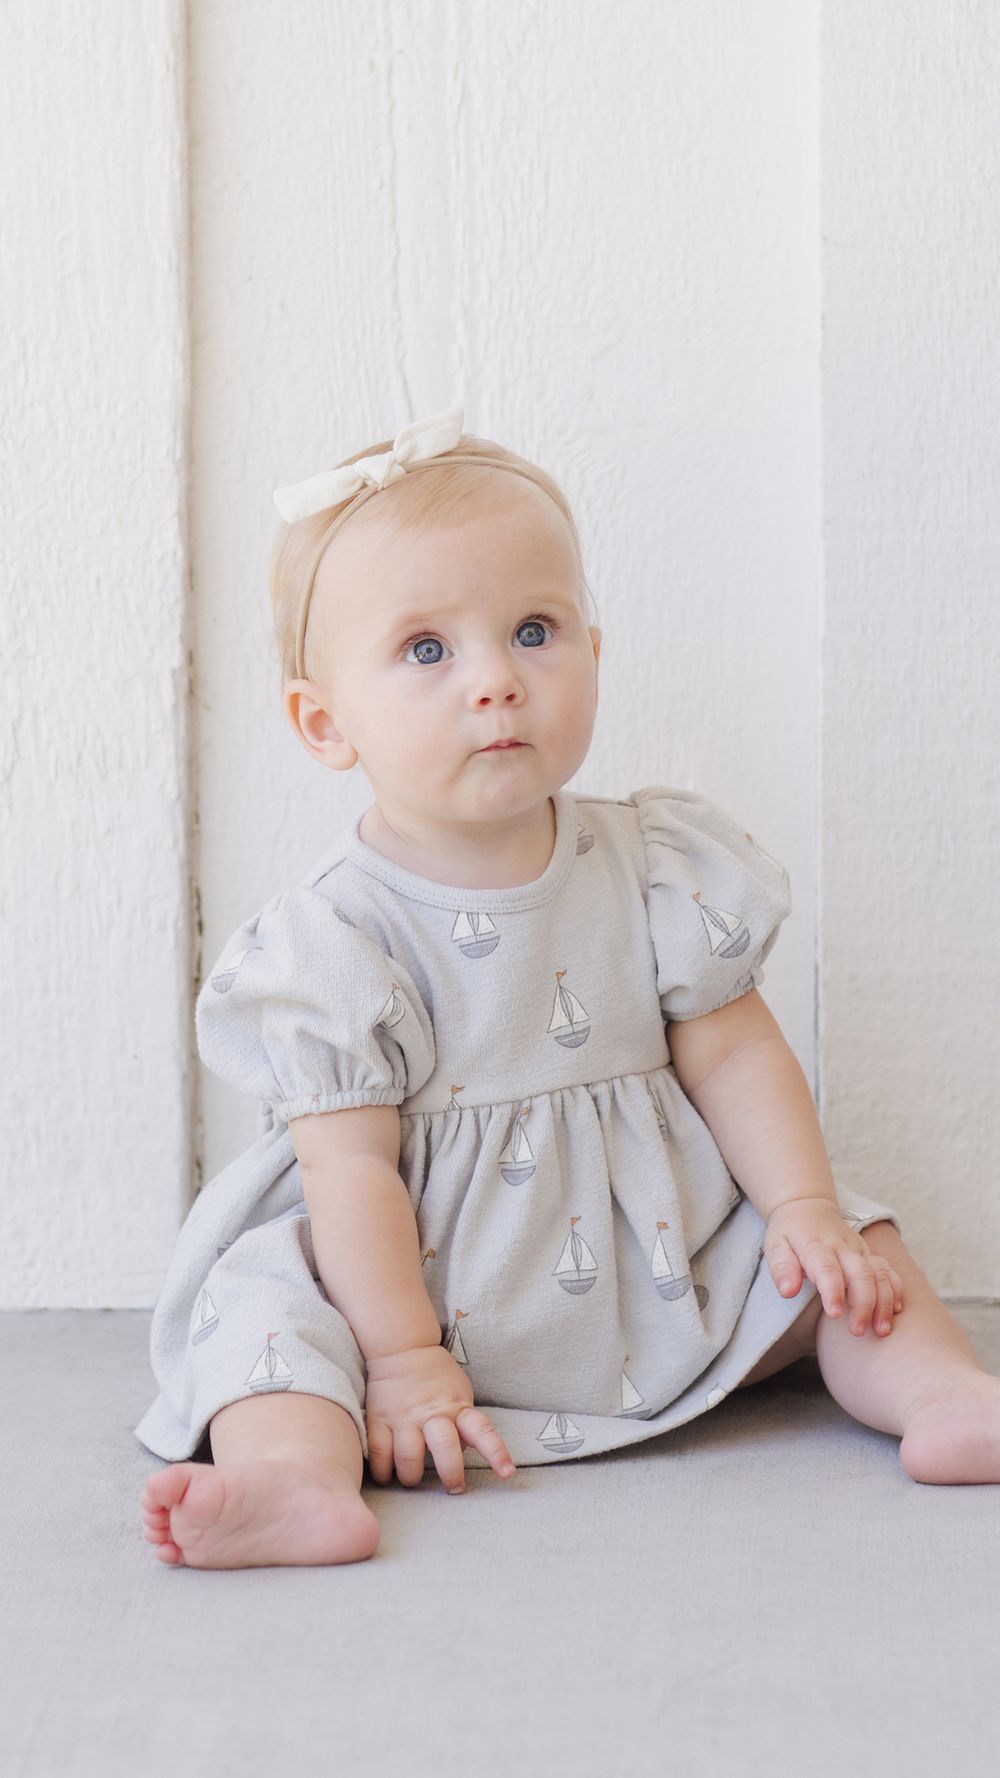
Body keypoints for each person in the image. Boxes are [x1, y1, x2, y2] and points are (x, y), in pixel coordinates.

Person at [140, 409, 1000, 1570]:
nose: (496, 680)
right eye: (428, 651)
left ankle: (942, 1392)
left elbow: (735, 1054)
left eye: (533, 630)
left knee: (850, 1243)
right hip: (403, 1271)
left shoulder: (654, 864)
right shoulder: (331, 939)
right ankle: (290, 1477)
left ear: (594, 648)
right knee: (265, 1309)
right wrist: (396, 1355)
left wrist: (799, 1207)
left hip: (648, 1241)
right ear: (322, 721)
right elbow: (348, 1168)